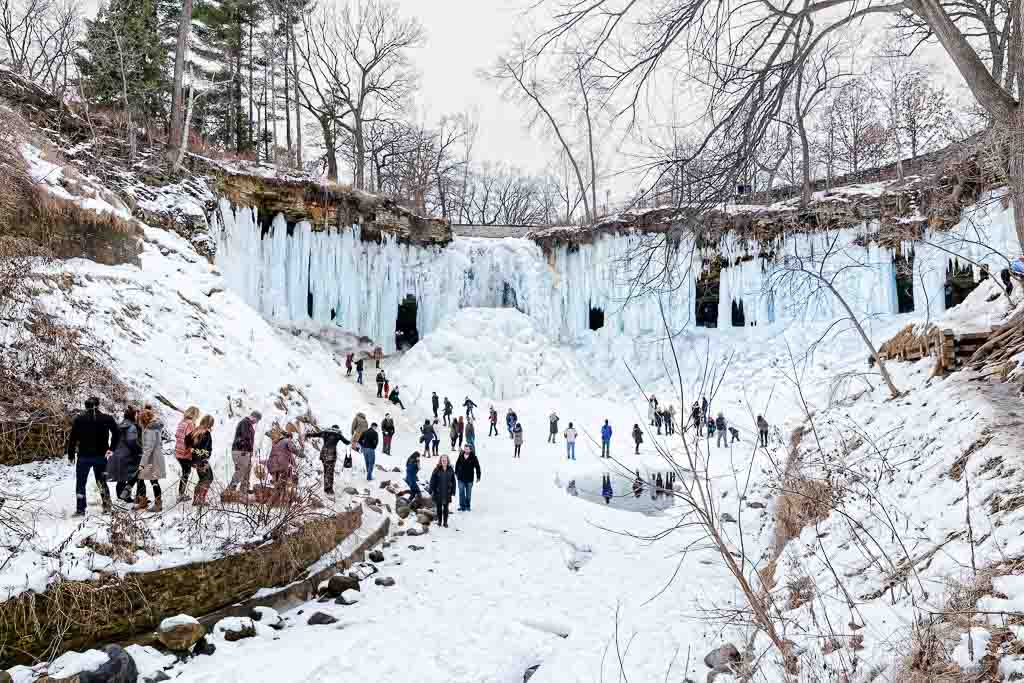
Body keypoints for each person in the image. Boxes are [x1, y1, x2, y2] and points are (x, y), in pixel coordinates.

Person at [66, 396, 116, 516]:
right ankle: (107, 506)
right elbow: (117, 433)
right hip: (101, 456)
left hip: (84, 456)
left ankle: (80, 509)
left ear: (85, 406)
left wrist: (71, 454)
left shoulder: (79, 419)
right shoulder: (106, 418)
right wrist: (111, 448)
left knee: (81, 483)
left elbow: (72, 438)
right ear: (98, 405)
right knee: (102, 481)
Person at [107, 407, 142, 504]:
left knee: (121, 478)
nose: (137, 416)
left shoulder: (120, 425)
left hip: (117, 454)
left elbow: (115, 439)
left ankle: (121, 497)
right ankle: (126, 497)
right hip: (127, 454)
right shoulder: (132, 427)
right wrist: (139, 451)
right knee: (136, 474)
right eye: (135, 414)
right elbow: (131, 442)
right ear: (132, 416)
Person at [306, 424, 350, 496]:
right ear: (337, 429)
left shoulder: (325, 432)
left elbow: (315, 434)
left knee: (326, 471)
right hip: (331, 455)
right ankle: (329, 489)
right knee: (330, 472)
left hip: (323, 454)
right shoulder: (338, 434)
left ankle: (326, 488)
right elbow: (347, 442)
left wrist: (308, 435)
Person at [137, 408, 166, 512]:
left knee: (152, 480)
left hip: (152, 459)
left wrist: (142, 464)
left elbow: (148, 448)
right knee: (146, 479)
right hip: (154, 457)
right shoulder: (154, 427)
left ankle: (157, 504)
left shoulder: (150, 430)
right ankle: (144, 501)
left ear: (143, 420)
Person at [228, 410, 261, 493]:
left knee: (247, 469)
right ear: (254, 417)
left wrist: (250, 451)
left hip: (244, 451)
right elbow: (245, 437)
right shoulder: (245, 423)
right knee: (242, 469)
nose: (256, 422)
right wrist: (246, 449)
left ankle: (244, 490)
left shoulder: (248, 424)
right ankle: (231, 487)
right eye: (257, 420)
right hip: (241, 450)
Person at [186, 415, 215, 506]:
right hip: (201, 460)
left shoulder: (195, 431)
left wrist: (194, 459)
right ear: (210, 424)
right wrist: (202, 461)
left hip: (196, 459)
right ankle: (199, 499)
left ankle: (198, 499)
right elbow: (202, 448)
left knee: (204, 478)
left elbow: (188, 443)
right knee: (207, 478)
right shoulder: (205, 433)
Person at [174, 406, 200, 501]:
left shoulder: (182, 422)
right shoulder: (190, 424)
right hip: (185, 452)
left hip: (178, 451)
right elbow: (192, 440)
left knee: (185, 472)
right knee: (186, 473)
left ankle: (181, 494)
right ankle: (181, 495)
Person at [428, 454, 456, 527]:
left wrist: (453, 491)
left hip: (447, 492)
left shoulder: (450, 469)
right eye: (442, 460)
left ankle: (445, 522)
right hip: (438, 492)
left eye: (445, 460)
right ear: (440, 461)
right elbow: (432, 480)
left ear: (447, 461)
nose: (444, 461)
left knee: (446, 508)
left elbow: (453, 481)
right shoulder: (437, 469)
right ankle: (440, 521)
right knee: (439, 508)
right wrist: (431, 489)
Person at [455, 445, 481, 512]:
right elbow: (457, 464)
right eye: (465, 449)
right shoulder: (461, 455)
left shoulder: (474, 457)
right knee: (461, 492)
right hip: (461, 477)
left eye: (467, 449)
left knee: (468, 493)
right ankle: (462, 506)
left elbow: (477, 467)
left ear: (470, 450)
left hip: (469, 478)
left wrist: (478, 476)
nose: (466, 450)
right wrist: (456, 472)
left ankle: (467, 505)